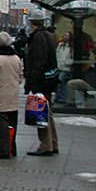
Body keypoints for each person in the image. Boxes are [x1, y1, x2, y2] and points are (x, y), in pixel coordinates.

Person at [24, 12, 59, 156]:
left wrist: (33, 82)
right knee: (48, 112)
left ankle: (46, 145)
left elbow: (39, 61)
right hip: (48, 79)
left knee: (41, 113)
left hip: (41, 81)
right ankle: (53, 143)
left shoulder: (38, 37)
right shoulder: (48, 35)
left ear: (31, 22)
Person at [0, 31, 23, 158]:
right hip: (13, 94)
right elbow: (20, 76)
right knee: (13, 122)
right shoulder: (16, 58)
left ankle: (4, 150)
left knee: (2, 123)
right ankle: (12, 147)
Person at [54, 32, 74, 105]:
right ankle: (59, 97)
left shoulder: (71, 47)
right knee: (61, 83)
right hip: (58, 66)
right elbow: (57, 54)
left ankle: (62, 97)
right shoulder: (60, 45)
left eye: (67, 35)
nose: (65, 37)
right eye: (65, 35)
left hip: (65, 67)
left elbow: (72, 58)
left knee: (60, 80)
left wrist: (67, 63)